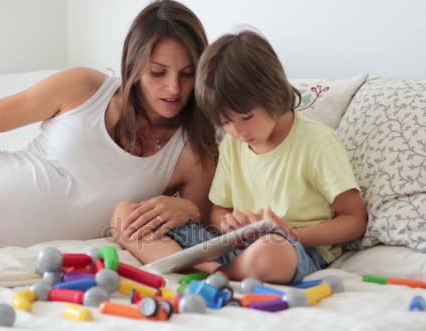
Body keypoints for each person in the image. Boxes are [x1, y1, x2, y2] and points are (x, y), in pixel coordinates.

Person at [0, 0, 217, 264]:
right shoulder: (85, 87)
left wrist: (188, 209)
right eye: (158, 72)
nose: (174, 88)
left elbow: (200, 234)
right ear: (133, 66)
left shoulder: (194, 153)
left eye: (187, 75)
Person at [112, 30, 367, 284]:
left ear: (274, 94)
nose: (238, 131)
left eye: (246, 118)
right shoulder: (233, 142)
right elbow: (218, 210)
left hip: (294, 247)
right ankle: (214, 270)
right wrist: (230, 223)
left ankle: (214, 272)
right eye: (225, 122)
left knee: (271, 251)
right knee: (125, 215)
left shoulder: (317, 142)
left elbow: (354, 221)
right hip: (234, 246)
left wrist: (294, 233)